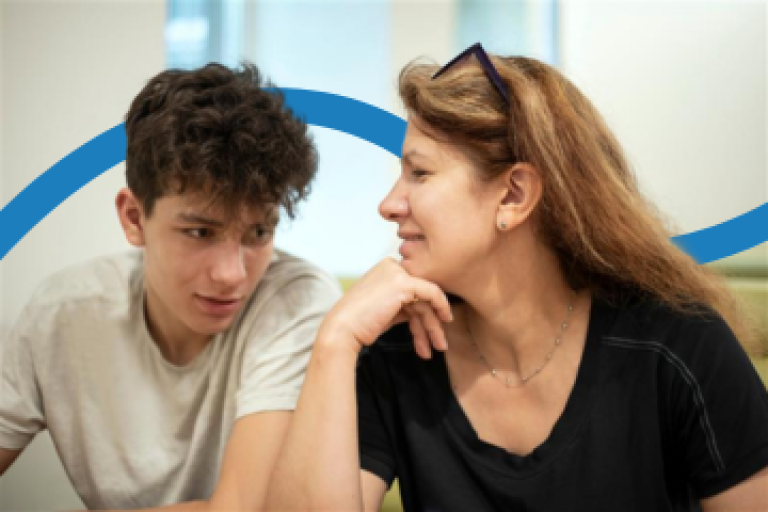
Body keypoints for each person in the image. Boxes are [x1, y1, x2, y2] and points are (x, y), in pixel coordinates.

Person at [265, 45, 768, 511]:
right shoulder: (399, 353)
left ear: (514, 196)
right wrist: (336, 341)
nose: (390, 204)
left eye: (419, 174)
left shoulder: (678, 347)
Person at [0, 62, 341, 510]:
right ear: (134, 218)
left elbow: (239, 509)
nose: (232, 274)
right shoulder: (64, 310)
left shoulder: (297, 303)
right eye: (200, 232)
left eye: (258, 233)